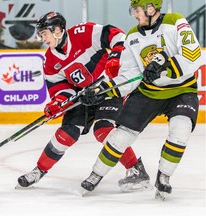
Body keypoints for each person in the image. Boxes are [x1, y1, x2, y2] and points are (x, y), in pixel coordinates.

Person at [80, 0, 202, 200]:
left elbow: (194, 54)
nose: (135, 15)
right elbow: (129, 75)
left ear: (151, 8)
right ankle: (96, 174)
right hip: (149, 93)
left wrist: (167, 66)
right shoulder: (133, 36)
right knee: (121, 136)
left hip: (181, 90)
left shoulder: (175, 21)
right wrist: (104, 90)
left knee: (181, 128)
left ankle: (164, 177)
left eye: (137, 10)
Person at [17, 11, 151, 192]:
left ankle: (136, 169)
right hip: (84, 95)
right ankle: (39, 170)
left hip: (108, 89)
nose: (43, 38)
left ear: (57, 30)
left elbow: (116, 35)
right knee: (67, 133)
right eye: (41, 35)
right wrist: (58, 103)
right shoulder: (49, 60)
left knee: (103, 130)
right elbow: (60, 89)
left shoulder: (83, 33)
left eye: (44, 34)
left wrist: (115, 55)